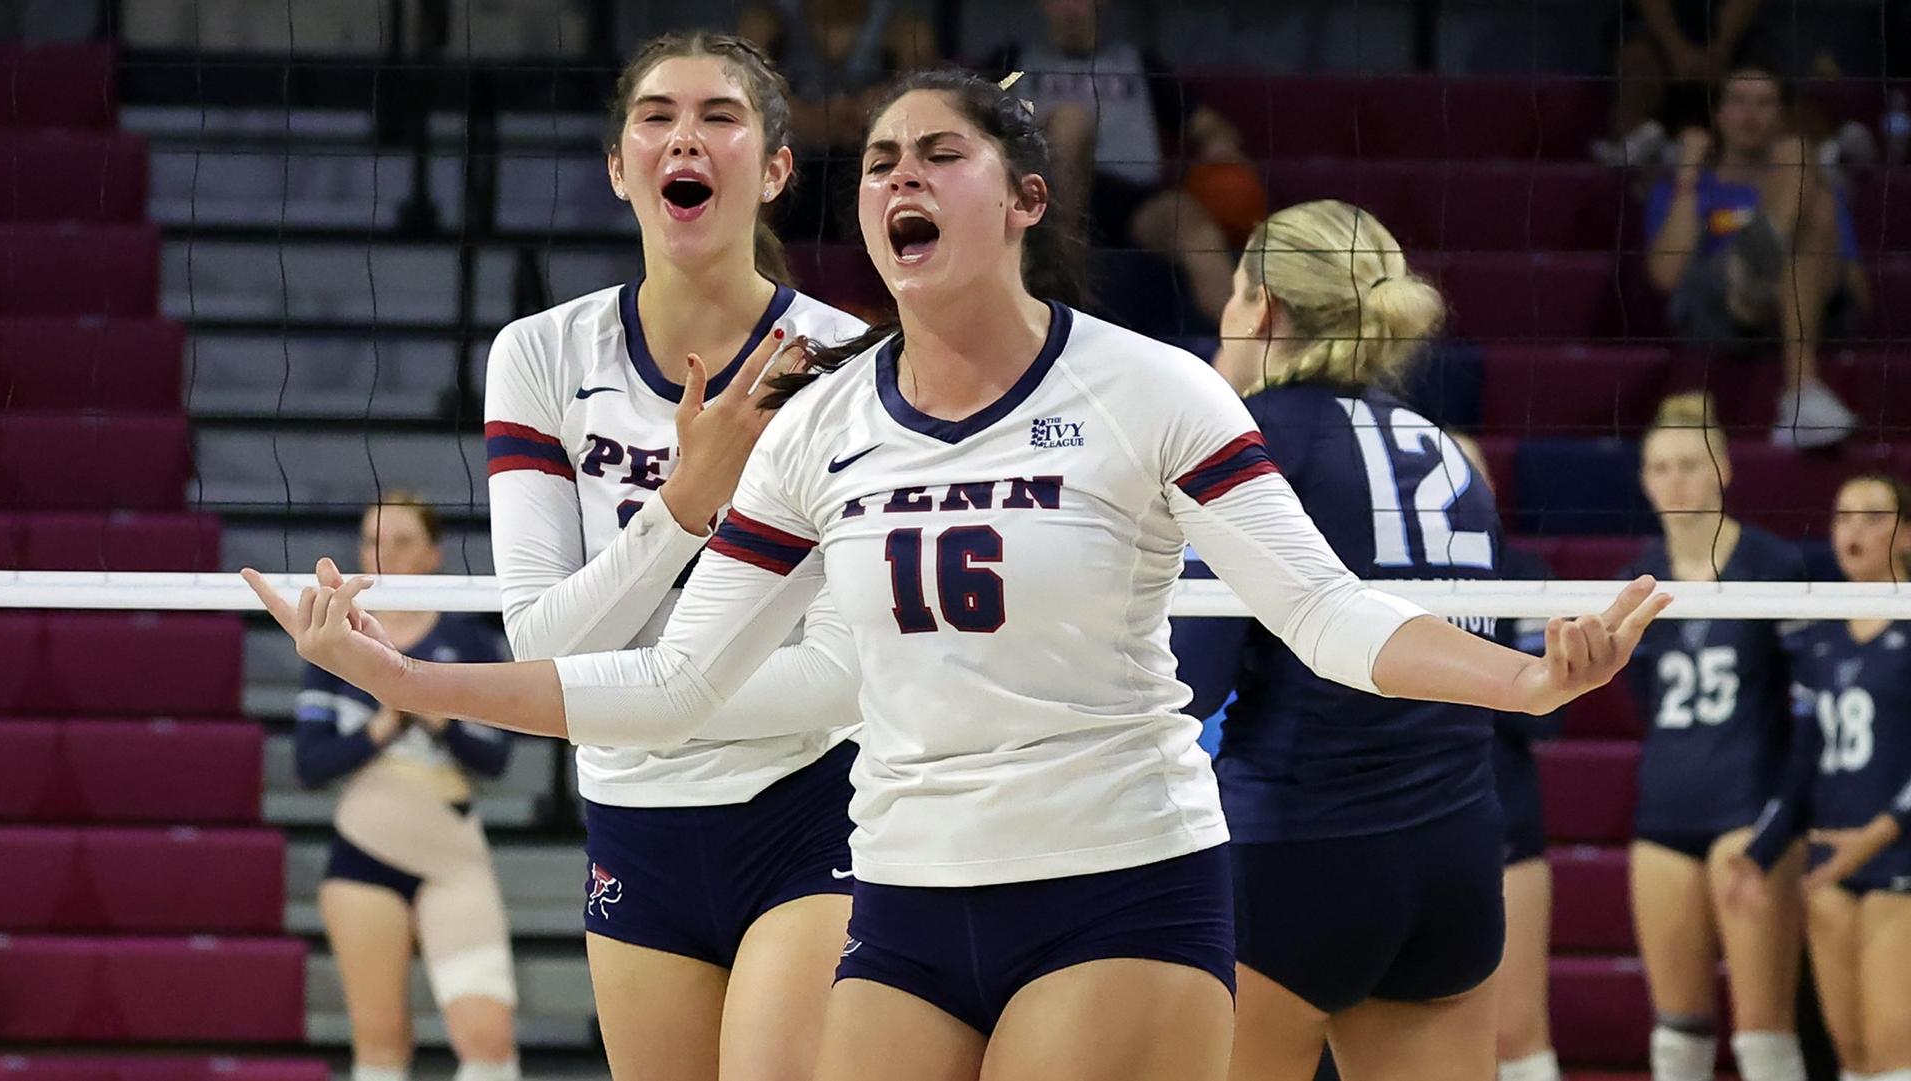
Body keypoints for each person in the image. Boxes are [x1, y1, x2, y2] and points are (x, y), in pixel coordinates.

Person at [247, 69, 1669, 1081]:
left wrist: (1522, 676)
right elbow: (674, 680)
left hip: (1121, 881)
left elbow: (1321, 610)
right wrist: (402, 672)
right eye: (879, 163)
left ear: (1023, 198)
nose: (900, 179)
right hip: (910, 903)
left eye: (938, 155)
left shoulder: (1153, 389)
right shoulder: (815, 424)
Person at [481, 31, 867, 1081]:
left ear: (776, 169)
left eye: (719, 117)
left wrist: (637, 693)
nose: (683, 137)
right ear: (618, 167)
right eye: (655, 117)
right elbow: (539, 640)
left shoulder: (846, 367)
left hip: (807, 804)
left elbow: (841, 677)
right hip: (634, 820)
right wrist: (680, 511)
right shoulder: (541, 354)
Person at [1173, 201, 1539, 1081]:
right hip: (1453, 858)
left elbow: (1186, 681)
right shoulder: (1449, 451)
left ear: (1261, 308)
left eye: (1230, 298)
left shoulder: (1252, 444)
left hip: (1298, 851)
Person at [293, 494, 519, 1081]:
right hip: (365, 857)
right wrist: (385, 722)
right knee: (382, 1045)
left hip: (453, 859)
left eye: (400, 542)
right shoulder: (331, 640)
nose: (383, 554)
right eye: (372, 540)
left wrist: (427, 707)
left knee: (489, 1042)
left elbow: (495, 757)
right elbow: (310, 764)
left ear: (432, 556)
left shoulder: (467, 638)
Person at [1624, 393, 1809, 1081]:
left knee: (1763, 1039)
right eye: (1661, 467)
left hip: (1747, 810)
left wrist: (1777, 828)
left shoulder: (1772, 564)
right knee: (1677, 1034)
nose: (1675, 481)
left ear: (1724, 469)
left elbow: (1807, 710)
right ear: (1644, 478)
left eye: (1690, 465)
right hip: (1664, 814)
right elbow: (1640, 694)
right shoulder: (1633, 578)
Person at [1729, 474, 1911, 1081]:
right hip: (1831, 860)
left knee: (1894, 1052)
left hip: (1897, 860)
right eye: (1843, 517)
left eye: (1872, 516)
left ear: (1905, 532)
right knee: (1852, 1053)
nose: (1853, 530)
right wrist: (1760, 852)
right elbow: (1803, 760)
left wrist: (1878, 834)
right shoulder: (1821, 637)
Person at [987, 0, 1251, 330]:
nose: (1070, 8)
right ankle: (1057, 279)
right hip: (1045, 198)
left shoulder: (1138, 62)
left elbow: (1208, 126)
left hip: (1133, 196)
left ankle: (1244, 345)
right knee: (1072, 122)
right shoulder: (1011, 63)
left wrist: (1218, 143)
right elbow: (969, 123)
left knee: (1196, 228)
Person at [1643, 64, 1865, 448]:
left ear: (1781, 115)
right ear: (1719, 113)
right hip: (1718, 306)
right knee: (1804, 170)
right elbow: (1666, 276)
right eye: (1740, 101)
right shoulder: (1692, 185)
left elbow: (1854, 292)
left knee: (1806, 177)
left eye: (1765, 104)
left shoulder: (1818, 196)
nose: (1751, 114)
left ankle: (1765, 284)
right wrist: (1688, 177)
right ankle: (1802, 394)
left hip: (1795, 306)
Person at [1455, 433, 1566, 1081]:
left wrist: (1460, 677)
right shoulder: (1381, 577)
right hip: (1414, 814)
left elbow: (1548, 718)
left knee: (1518, 1028)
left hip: (1503, 817)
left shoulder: (1524, 574)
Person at [738, 0, 940, 241]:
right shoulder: (766, 20)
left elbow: (920, 104)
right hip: (795, 153)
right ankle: (761, 259)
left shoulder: (903, 27)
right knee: (760, 159)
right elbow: (748, 97)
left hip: (867, 153)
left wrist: (874, 110)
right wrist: (807, 119)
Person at [1598, 0, 1768, 166]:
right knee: (1637, 60)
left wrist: (1722, 50)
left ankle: (1744, 160)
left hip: (1728, 31)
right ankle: (1631, 147)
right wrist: (1678, 51)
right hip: (1653, 26)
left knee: (1764, 71)